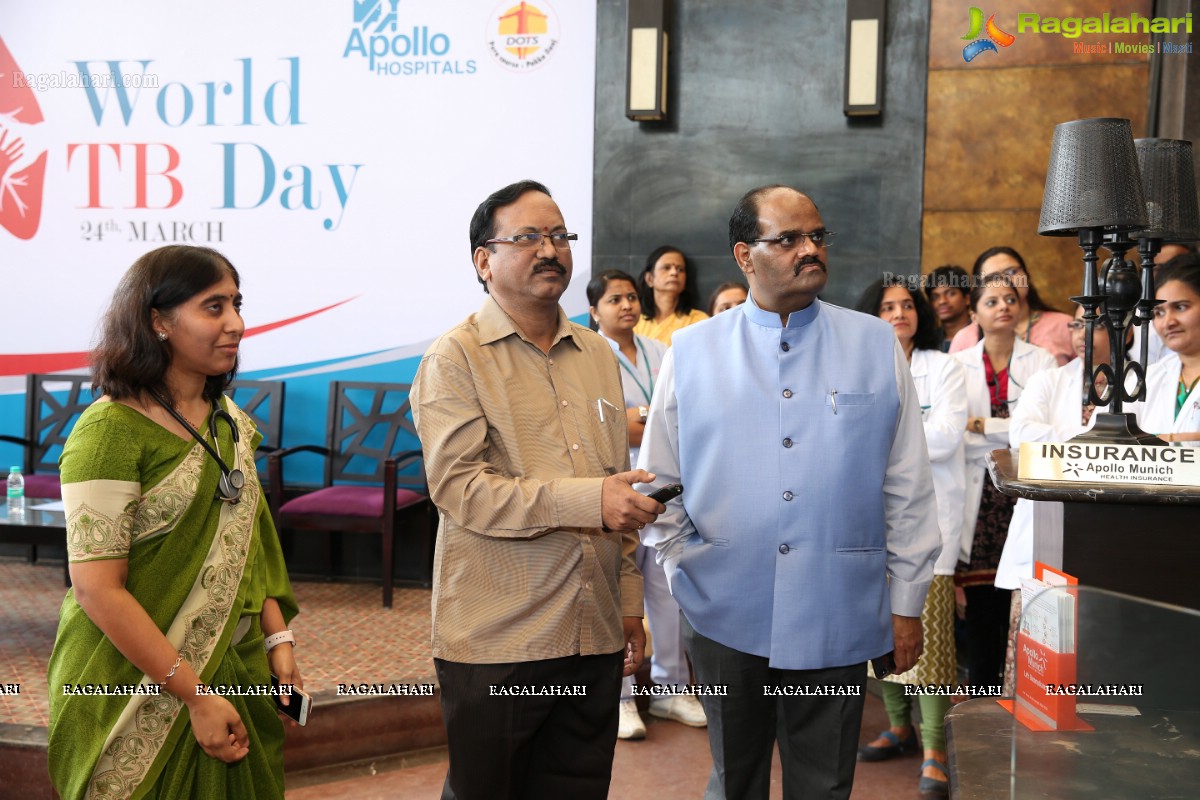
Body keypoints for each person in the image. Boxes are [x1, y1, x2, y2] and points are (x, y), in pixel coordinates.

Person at [638, 185, 941, 800]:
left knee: (824, 783)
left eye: (818, 237)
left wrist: (906, 603)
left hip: (838, 604)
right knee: (734, 780)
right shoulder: (692, 351)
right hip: (721, 608)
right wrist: (679, 570)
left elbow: (907, 484)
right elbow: (659, 481)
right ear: (745, 255)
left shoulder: (873, 344)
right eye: (790, 239)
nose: (811, 250)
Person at [409, 180, 663, 800]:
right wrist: (589, 501)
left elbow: (615, 486)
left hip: (593, 628)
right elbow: (461, 488)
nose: (549, 249)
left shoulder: (597, 353)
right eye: (527, 237)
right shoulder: (456, 357)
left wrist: (628, 603)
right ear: (483, 261)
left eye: (558, 236)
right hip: (501, 639)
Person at [46, 245, 300, 800]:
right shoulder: (109, 432)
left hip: (236, 668)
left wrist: (278, 639)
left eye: (237, 303)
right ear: (158, 321)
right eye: (213, 307)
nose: (235, 324)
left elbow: (252, 546)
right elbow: (96, 591)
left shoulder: (230, 423)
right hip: (128, 683)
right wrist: (195, 696)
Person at [853, 278, 967, 797]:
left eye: (905, 305)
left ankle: (936, 749)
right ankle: (898, 726)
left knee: (931, 645)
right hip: (863, 526)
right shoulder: (858, 368)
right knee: (879, 638)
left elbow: (943, 438)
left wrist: (888, 434)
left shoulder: (944, 367)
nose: (898, 313)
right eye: (885, 307)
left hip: (929, 526)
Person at [587, 269, 707, 740]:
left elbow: (682, 414)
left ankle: (671, 688)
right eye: (615, 299)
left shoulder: (662, 350)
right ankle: (620, 699)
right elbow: (609, 425)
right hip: (615, 485)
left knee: (665, 589)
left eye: (632, 297)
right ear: (594, 309)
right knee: (618, 593)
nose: (627, 305)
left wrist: (641, 415)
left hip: (665, 487)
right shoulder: (590, 354)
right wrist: (646, 415)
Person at [999, 302, 1120, 693]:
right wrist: (1094, 445)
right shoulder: (1048, 381)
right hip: (1045, 536)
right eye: (1076, 324)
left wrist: (1062, 440)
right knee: (1038, 672)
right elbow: (1022, 438)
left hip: (1113, 539)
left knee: (1097, 666)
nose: (1083, 332)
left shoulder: (1140, 382)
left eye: (1096, 324)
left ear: (1124, 330)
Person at [952, 275, 1056, 692]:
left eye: (1010, 299)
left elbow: (1038, 432)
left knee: (1022, 601)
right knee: (979, 611)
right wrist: (1007, 429)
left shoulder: (1043, 362)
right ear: (973, 312)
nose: (1003, 307)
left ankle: (1018, 694)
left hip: (1023, 491)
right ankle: (980, 696)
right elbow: (957, 430)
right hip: (978, 499)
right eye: (991, 301)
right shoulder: (957, 365)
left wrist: (984, 425)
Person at [949, 246, 1075, 365]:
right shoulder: (964, 338)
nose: (1005, 281)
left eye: (1011, 271)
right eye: (993, 277)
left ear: (1027, 275)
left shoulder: (1065, 325)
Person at [1141, 256, 1200, 445]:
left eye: (1180, 307)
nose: (1168, 322)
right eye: (1159, 313)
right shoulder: (1147, 378)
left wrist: (1173, 440)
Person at [634, 245, 708, 344]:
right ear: (649, 279)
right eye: (666, 268)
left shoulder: (699, 320)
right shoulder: (635, 320)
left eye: (680, 269)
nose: (674, 273)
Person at [924, 265, 971, 351]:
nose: (942, 301)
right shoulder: (927, 341)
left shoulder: (983, 334)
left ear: (967, 299)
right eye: (935, 297)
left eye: (950, 293)